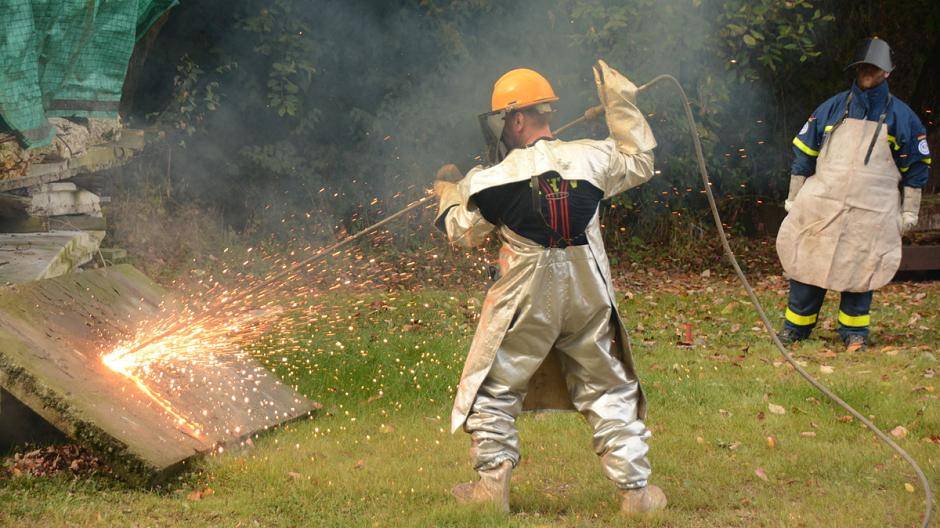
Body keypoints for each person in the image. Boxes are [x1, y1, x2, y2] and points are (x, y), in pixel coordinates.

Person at [431, 61, 666, 515]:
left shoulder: (490, 180)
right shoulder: (594, 156)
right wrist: (621, 105)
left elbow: (461, 231)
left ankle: (490, 489)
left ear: (516, 119)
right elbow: (639, 159)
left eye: (505, 120)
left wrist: (448, 192)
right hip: (587, 295)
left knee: (494, 387)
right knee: (607, 386)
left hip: (525, 300)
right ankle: (636, 493)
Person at [776, 37, 931, 351]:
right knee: (808, 261)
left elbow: (916, 166)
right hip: (823, 203)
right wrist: (794, 197)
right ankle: (796, 328)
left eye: (873, 68)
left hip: (871, 210)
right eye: (862, 67)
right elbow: (804, 154)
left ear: (887, 72)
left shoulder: (903, 118)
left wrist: (910, 210)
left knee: (862, 266)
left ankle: (854, 333)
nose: (866, 72)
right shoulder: (832, 108)